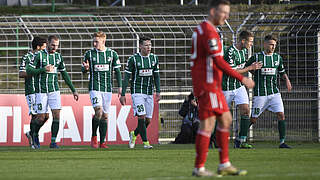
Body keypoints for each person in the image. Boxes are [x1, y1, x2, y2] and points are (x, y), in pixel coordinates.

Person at [190, 0, 255, 177]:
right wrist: (242, 77)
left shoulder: (201, 29)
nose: (226, 17)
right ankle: (201, 167)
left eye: (228, 13)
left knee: (224, 119)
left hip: (208, 84)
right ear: (212, 11)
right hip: (209, 85)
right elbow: (219, 62)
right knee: (209, 124)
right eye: (223, 12)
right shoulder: (209, 32)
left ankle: (221, 163)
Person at [27, 35, 79, 149]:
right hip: (41, 91)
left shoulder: (58, 57)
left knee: (57, 114)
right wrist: (42, 69)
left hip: (54, 90)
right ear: (48, 44)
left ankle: (53, 142)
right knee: (41, 117)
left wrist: (73, 90)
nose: (55, 47)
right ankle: (33, 133)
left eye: (57, 45)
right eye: (52, 45)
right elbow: (28, 69)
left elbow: (64, 74)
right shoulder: (39, 55)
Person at [244, 34, 292, 148]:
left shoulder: (277, 58)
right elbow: (247, 66)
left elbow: (282, 71)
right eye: (271, 44)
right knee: (253, 119)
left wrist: (287, 80)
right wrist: (254, 72)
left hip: (274, 93)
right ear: (265, 44)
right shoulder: (257, 57)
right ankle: (241, 138)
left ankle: (282, 142)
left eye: (274, 45)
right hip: (261, 94)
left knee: (281, 115)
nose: (273, 47)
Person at [222, 30, 262, 149]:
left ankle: (241, 140)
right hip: (226, 87)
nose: (251, 44)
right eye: (250, 42)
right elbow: (232, 71)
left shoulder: (245, 51)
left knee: (245, 110)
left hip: (239, 86)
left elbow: (243, 68)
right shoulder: (230, 51)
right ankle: (212, 140)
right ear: (243, 41)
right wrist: (250, 67)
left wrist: (253, 70)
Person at [82, 31, 122, 149]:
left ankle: (102, 142)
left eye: (96, 42)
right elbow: (83, 70)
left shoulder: (112, 54)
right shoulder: (89, 54)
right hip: (94, 88)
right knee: (98, 111)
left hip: (107, 89)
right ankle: (94, 136)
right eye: (93, 41)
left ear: (103, 41)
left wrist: (120, 87)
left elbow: (118, 71)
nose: (94, 44)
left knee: (105, 116)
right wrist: (86, 69)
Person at [119, 36, 160, 149]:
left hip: (149, 91)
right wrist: (123, 94)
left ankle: (134, 134)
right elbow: (126, 77)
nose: (149, 47)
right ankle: (146, 143)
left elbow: (156, 76)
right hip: (137, 92)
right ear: (140, 46)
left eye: (150, 45)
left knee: (148, 120)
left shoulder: (154, 58)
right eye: (146, 45)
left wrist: (158, 91)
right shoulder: (133, 59)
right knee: (141, 116)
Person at [19, 37, 50, 149]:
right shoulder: (27, 57)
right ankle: (34, 139)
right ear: (38, 47)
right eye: (44, 47)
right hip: (31, 90)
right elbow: (21, 73)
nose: (45, 49)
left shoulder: (44, 57)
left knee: (46, 116)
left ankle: (31, 133)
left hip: (42, 90)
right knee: (36, 116)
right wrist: (37, 71)